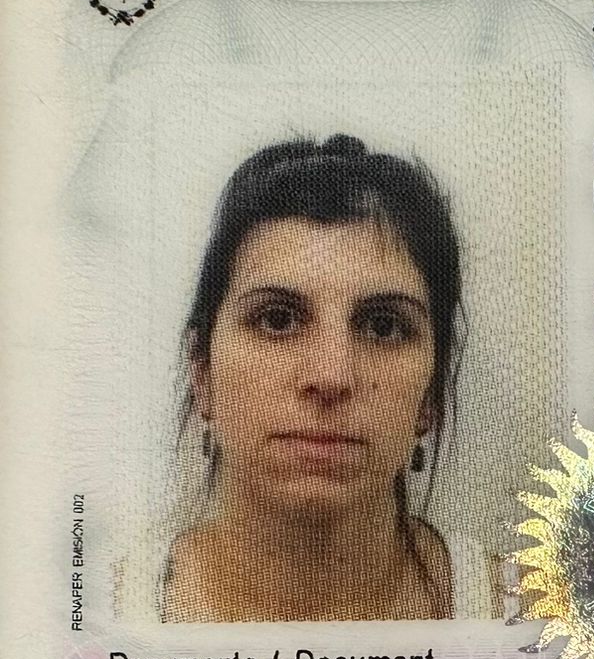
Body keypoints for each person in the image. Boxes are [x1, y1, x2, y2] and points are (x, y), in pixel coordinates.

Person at [131, 134, 496, 622]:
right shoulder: (95, 622)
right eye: (277, 319)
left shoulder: (540, 624)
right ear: (203, 373)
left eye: (383, 326)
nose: (330, 375)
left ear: (430, 393)